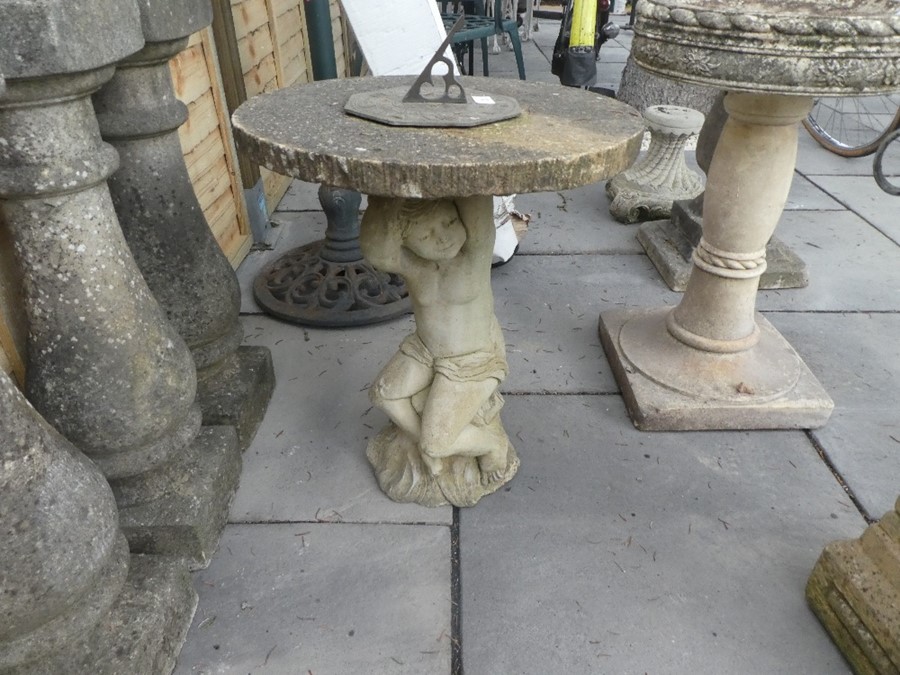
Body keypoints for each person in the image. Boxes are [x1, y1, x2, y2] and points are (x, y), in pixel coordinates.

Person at [360, 195, 511, 485]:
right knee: (383, 393)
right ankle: (424, 443)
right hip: (427, 349)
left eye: (451, 222)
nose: (443, 238)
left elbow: (477, 197)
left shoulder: (474, 256)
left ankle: (492, 444)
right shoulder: (415, 266)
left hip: (472, 359)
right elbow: (377, 252)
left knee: (437, 442)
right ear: (407, 242)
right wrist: (384, 195)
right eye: (426, 235)